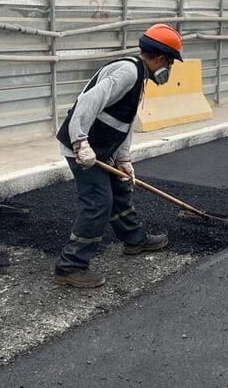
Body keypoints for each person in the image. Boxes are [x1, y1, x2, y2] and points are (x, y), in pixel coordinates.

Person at [53, 24, 181, 289]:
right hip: (84, 150)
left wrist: (124, 160)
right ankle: (70, 266)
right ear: (159, 58)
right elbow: (88, 102)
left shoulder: (139, 75)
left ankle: (134, 240)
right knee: (98, 203)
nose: (169, 67)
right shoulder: (127, 72)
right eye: (170, 61)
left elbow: (124, 124)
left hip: (101, 149)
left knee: (118, 191)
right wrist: (80, 143)